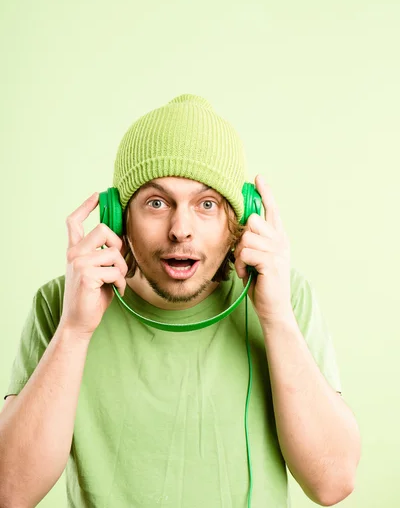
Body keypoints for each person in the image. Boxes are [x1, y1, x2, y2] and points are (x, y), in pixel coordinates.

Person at [0, 94, 360, 508]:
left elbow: (333, 483)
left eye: (207, 204)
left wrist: (276, 317)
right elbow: (10, 492)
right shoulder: (61, 305)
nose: (180, 230)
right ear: (119, 216)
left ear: (238, 222)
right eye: (157, 203)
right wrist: (75, 331)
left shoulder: (283, 297)